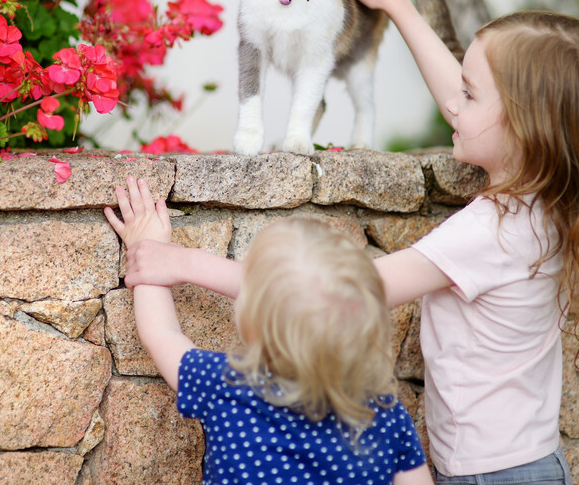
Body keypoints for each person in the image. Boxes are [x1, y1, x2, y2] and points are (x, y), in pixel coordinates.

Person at [123, 0, 579, 485]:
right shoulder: (549, 197)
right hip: (530, 460)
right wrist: (394, 2)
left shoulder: (491, 231)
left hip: (493, 476)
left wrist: (175, 263)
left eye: (469, 93)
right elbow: (472, 109)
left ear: (527, 128)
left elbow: (334, 289)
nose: (453, 103)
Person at [105, 176, 433, 485]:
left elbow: (161, 333)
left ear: (252, 319)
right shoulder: (384, 413)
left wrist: (145, 247)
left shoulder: (227, 386)